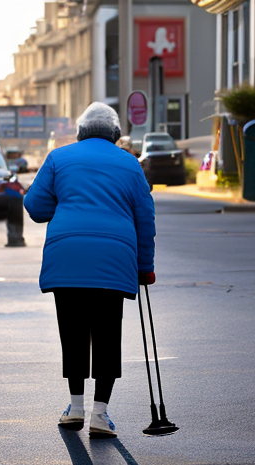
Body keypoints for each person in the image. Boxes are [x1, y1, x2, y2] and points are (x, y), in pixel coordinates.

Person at [24, 102, 156, 438]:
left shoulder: (58, 157)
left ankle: (75, 407)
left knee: (73, 332)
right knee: (108, 335)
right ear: (115, 135)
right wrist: (145, 268)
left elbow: (36, 207)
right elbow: (145, 219)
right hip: (114, 261)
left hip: (67, 259)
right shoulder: (129, 163)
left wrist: (66, 201)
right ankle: (101, 414)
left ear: (80, 132)